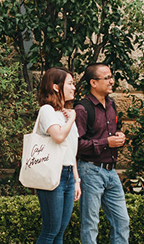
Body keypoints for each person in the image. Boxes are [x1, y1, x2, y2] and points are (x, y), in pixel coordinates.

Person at [74, 63, 130, 244]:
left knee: (122, 221)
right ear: (93, 83)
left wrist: (119, 136)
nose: (112, 81)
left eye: (111, 77)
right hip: (90, 170)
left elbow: (109, 133)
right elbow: (76, 144)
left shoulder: (112, 104)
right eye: (107, 78)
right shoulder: (82, 109)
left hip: (111, 172)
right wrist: (106, 142)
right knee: (90, 224)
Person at [35, 67, 82, 244]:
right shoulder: (47, 111)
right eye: (70, 83)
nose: (74, 87)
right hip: (53, 174)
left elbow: (71, 150)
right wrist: (72, 119)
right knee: (50, 230)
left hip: (69, 174)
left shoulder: (66, 113)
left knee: (60, 231)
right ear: (56, 86)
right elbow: (59, 136)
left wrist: (76, 180)